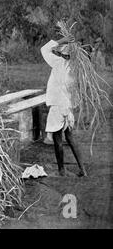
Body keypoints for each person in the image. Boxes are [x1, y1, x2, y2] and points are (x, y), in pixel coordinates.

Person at [40, 34, 87, 177]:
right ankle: (82, 169)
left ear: (62, 54)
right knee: (70, 137)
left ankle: (61, 170)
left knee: (57, 139)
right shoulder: (76, 68)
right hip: (67, 107)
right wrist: (71, 107)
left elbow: (44, 49)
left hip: (57, 106)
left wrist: (61, 41)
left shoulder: (58, 62)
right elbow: (77, 92)